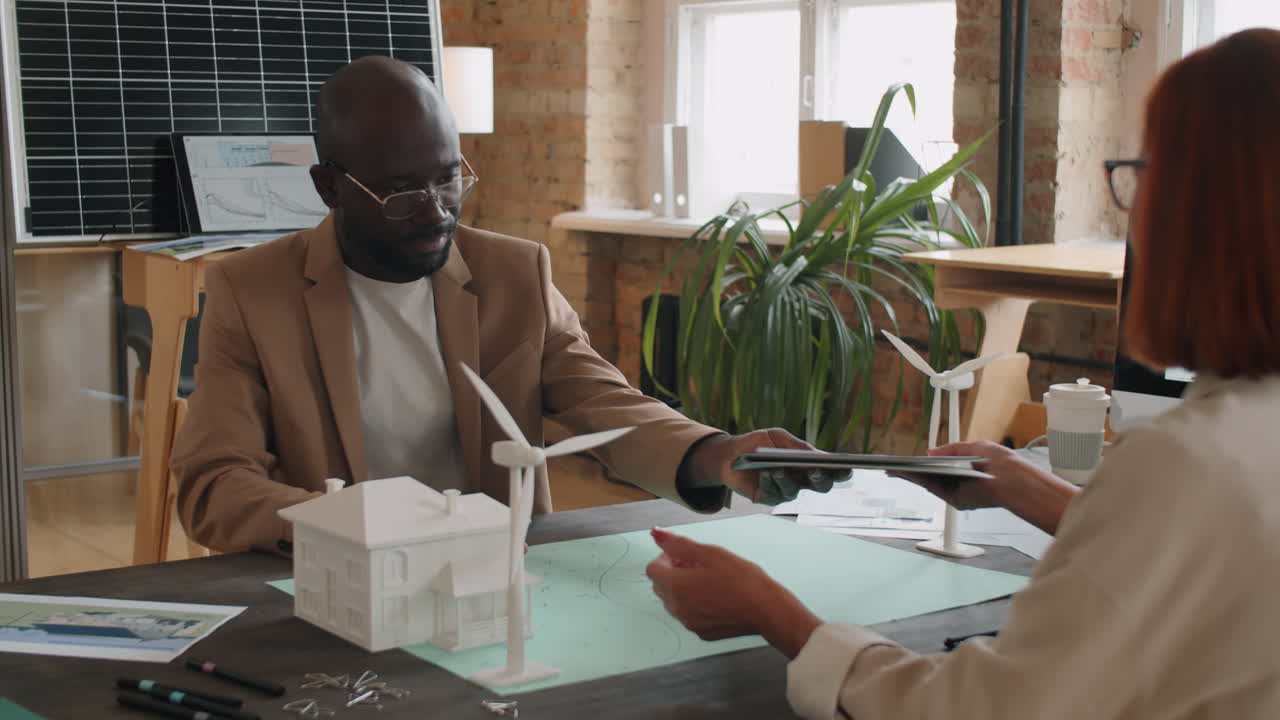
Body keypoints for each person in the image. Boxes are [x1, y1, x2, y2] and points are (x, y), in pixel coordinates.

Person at [646, 28, 1280, 719]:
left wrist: (772, 613)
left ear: (1196, 213)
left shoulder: (1184, 462)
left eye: (1142, 174)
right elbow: (1203, 549)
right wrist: (1030, 490)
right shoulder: (1227, 451)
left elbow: (984, 708)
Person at [171, 56, 835, 554]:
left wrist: (717, 454)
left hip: (496, 574)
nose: (437, 212)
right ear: (330, 187)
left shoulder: (513, 273)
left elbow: (604, 404)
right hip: (336, 579)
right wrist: (345, 523)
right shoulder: (253, 291)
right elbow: (213, 483)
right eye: (401, 193)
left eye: (448, 178)